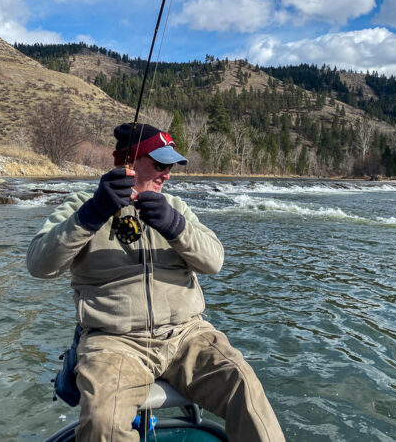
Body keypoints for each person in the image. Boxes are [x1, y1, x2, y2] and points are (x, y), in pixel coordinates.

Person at [27, 123, 284, 442]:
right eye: (161, 164)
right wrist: (92, 213)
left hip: (188, 334)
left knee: (244, 386)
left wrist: (175, 226)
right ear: (128, 163)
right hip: (114, 341)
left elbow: (214, 261)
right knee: (102, 422)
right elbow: (39, 265)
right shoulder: (82, 205)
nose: (168, 174)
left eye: (171, 166)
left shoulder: (177, 208)